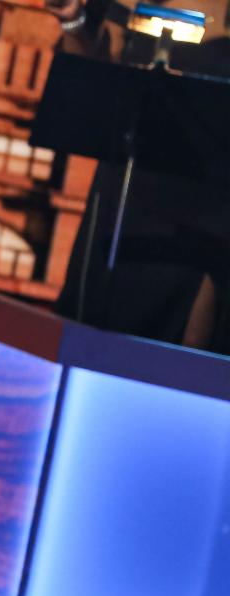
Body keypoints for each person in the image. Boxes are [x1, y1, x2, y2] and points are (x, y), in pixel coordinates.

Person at [48, 0, 230, 352]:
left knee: (178, 351)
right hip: (125, 197)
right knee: (91, 333)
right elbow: (90, 77)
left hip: (204, 216)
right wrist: (74, 21)